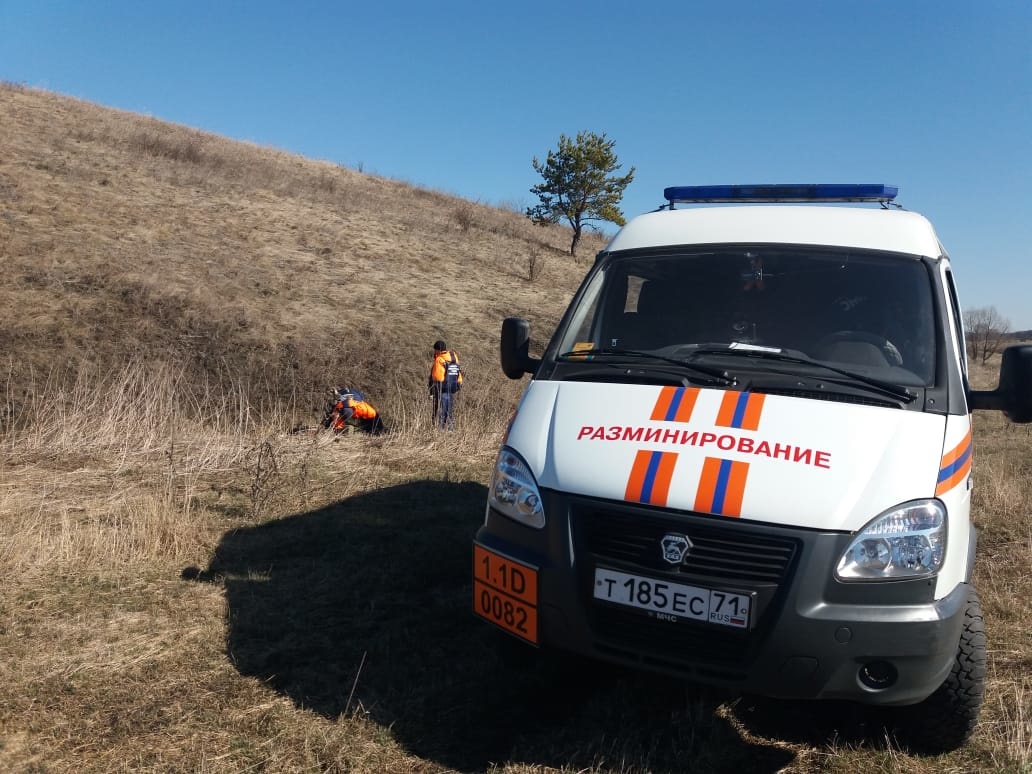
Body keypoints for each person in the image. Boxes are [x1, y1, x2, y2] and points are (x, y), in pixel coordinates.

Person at [428, 339, 462, 428]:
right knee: (449, 410)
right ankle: (450, 429)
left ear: (438, 350)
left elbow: (436, 376)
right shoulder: (453, 357)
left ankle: (440, 430)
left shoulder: (439, 359)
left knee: (440, 410)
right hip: (453, 386)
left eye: (435, 350)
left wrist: (432, 389)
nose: (434, 352)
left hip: (442, 388)